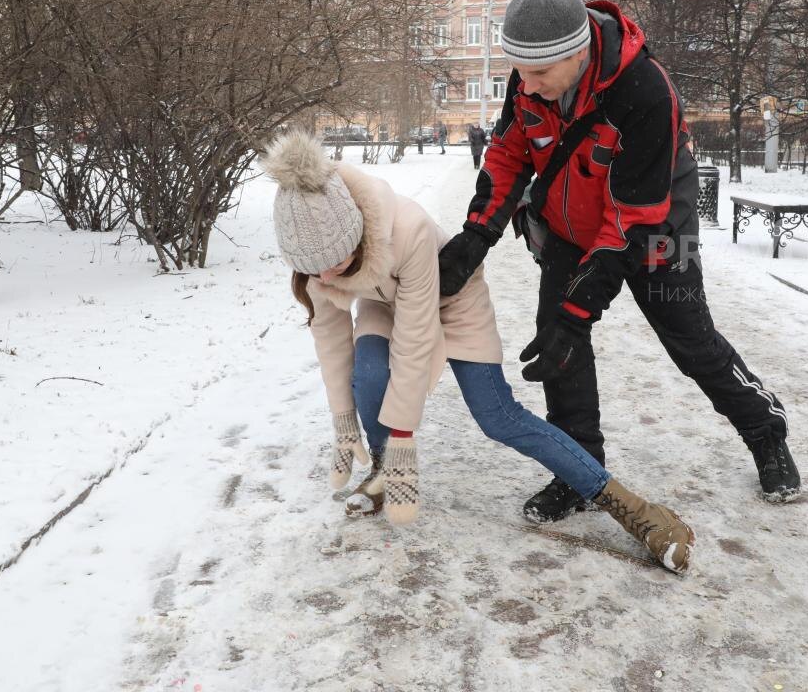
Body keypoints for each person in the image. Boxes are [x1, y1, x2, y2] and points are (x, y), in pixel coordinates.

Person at [438, 0, 801, 525]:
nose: (526, 86)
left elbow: (630, 221)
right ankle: (578, 469)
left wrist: (578, 311)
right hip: (567, 228)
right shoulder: (529, 79)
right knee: (558, 352)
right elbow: (508, 156)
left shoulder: (644, 90)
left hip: (655, 229)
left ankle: (766, 432)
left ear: (578, 52)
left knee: (692, 345)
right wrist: (475, 237)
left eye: (538, 73)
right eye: (521, 71)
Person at [263, 130, 695, 572]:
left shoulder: (404, 228)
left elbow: (415, 341)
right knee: (370, 374)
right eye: (314, 269)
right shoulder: (314, 255)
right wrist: (343, 419)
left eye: (334, 262)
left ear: (353, 230)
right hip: (386, 302)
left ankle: (634, 509)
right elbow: (331, 339)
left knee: (499, 418)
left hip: (453, 299)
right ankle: (380, 470)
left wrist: (405, 438)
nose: (326, 274)